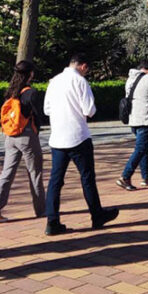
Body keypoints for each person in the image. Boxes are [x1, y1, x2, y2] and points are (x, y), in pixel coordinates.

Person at [43, 53, 119, 236]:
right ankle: (96, 214)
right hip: (78, 136)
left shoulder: (54, 81)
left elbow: (46, 109)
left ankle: (52, 221)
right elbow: (89, 110)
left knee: (55, 180)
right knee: (87, 177)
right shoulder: (81, 82)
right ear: (83, 66)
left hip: (58, 138)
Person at [0, 61, 46, 223]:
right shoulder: (31, 93)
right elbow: (40, 114)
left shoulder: (11, 91)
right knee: (35, 173)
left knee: (7, 173)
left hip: (10, 136)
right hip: (27, 137)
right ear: (30, 74)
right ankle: (42, 210)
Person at [116, 59, 148, 191]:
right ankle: (125, 176)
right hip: (145, 119)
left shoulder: (130, 79)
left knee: (144, 148)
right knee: (141, 149)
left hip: (133, 119)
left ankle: (146, 176)